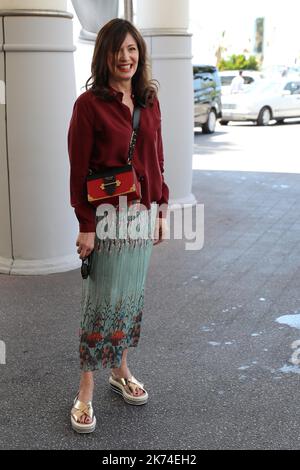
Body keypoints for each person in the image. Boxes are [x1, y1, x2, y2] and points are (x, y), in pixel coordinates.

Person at [68, 18, 169, 433]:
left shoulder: (149, 99)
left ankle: (120, 370)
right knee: (101, 304)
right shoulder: (88, 105)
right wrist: (86, 224)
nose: (126, 57)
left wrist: (161, 207)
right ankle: (85, 392)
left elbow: (158, 158)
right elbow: (78, 172)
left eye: (132, 49)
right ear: (104, 56)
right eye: (117, 50)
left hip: (140, 219)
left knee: (129, 298)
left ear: (139, 53)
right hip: (107, 219)